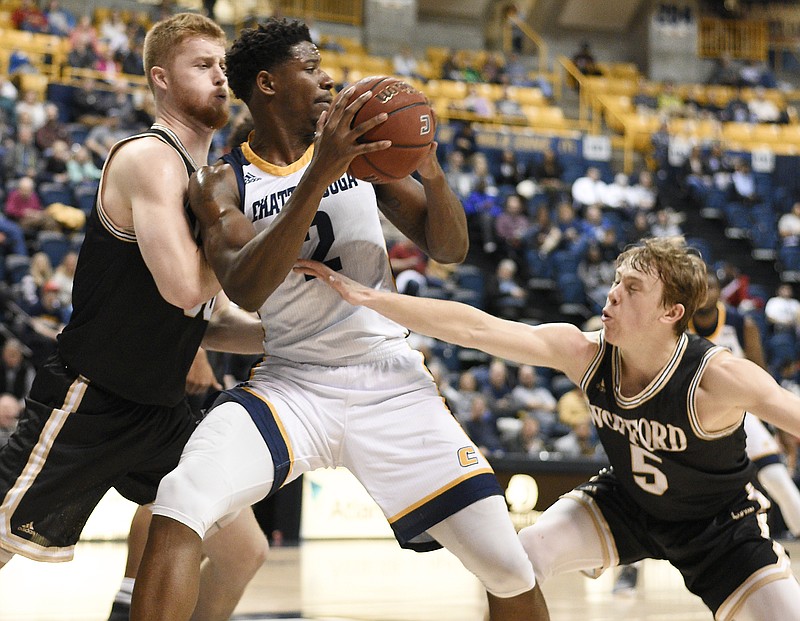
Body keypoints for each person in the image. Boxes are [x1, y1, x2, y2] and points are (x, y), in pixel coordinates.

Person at [131, 18, 549, 621]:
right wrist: (320, 173)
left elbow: (449, 246)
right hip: (290, 386)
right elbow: (246, 287)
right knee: (180, 498)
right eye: (310, 66)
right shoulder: (221, 180)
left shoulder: (365, 161)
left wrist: (429, 171)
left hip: (390, 380)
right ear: (268, 84)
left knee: (508, 567)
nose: (327, 77)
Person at [296, 235, 800, 620]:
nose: (613, 293)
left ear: (672, 312)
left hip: (720, 528)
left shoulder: (716, 379)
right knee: (516, 562)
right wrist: (371, 299)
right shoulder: (584, 352)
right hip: (626, 504)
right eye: (616, 280)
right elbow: (476, 327)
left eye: (633, 287)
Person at [0, 13, 270, 621]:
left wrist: (292, 332)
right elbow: (182, 287)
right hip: (89, 398)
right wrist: (250, 249)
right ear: (161, 79)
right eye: (203, 66)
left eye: (224, 67)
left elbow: (202, 315)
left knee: (243, 552)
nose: (222, 78)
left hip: (161, 409)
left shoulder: (207, 178)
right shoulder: (150, 158)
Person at [613, 267, 800, 593]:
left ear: (718, 291)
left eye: (712, 285)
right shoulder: (675, 325)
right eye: (701, 287)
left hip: (739, 411)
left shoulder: (742, 324)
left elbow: (761, 377)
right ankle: (629, 570)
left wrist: (779, 428)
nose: (707, 291)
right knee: (653, 492)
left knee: (780, 482)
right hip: (687, 414)